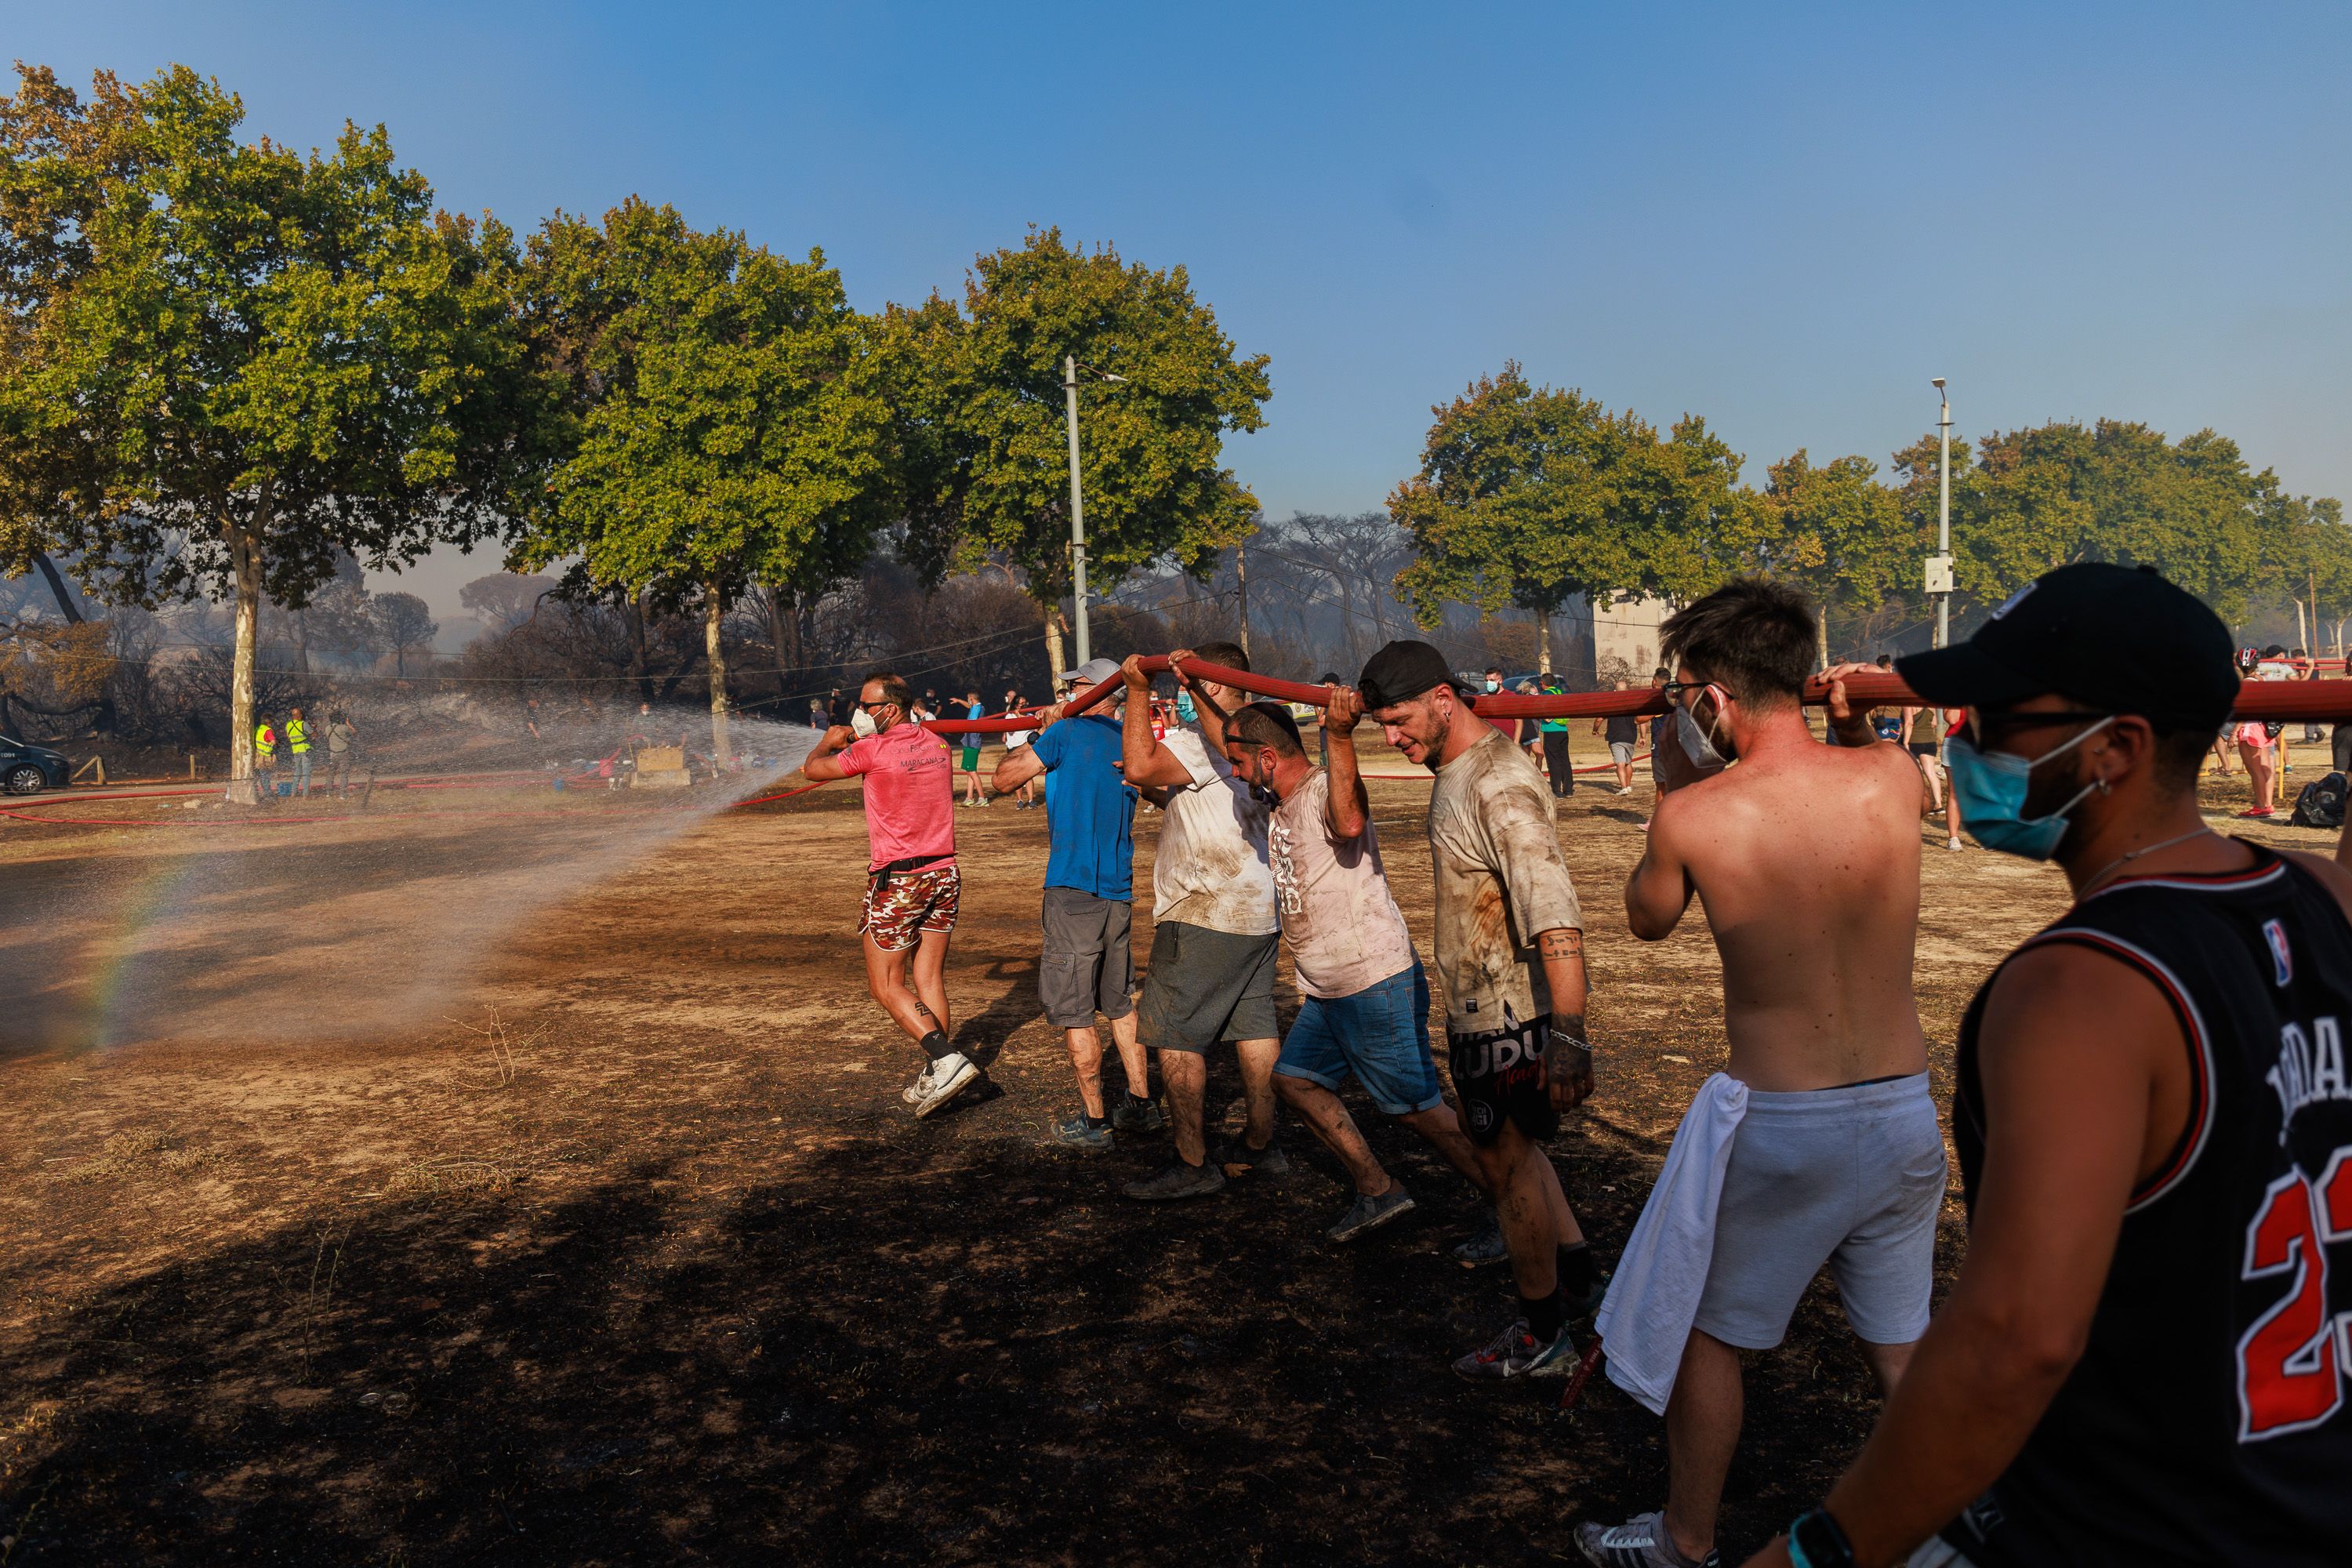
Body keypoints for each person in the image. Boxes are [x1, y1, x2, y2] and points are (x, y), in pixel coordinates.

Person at [1733, 561, 2352, 1568]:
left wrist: (1823, 1549)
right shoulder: (2324, 898)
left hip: (2134, 1521)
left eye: (2002, 714)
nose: (1967, 738)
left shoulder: (2077, 988)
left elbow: (2017, 1338)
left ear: (2114, 748)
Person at [1577, 580, 1944, 1568]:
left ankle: (1685, 1540)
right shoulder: (1894, 777)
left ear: (1711, 699)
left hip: (1790, 1125)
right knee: (1900, 1340)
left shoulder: (1697, 815)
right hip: (1906, 1109)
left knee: (1708, 1334)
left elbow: (1647, 921)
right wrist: (1850, 712)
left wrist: (1668, 780)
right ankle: (1964, 1523)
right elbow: (1857, 745)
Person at [1360, 639, 1602, 1378]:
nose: (1394, 738)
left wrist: (1568, 1034)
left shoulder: (1497, 785)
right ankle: (1585, 1302)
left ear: (1443, 700)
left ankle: (1543, 1339)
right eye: (1384, 727)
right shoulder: (1460, 769)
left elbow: (1553, 911)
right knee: (1520, 1156)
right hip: (1489, 1007)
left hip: (1509, 1016)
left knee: (1503, 1170)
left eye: (1401, 721)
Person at [1224, 685, 1493, 1242]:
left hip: (1371, 979)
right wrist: (1197, 686)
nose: (1233, 772)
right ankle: (1379, 1189)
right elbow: (1231, 735)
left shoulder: (1327, 788)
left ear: (1267, 758)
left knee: (1419, 1111)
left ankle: (1515, 1207)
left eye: (1237, 761)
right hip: (1328, 987)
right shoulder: (1279, 796)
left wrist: (1341, 733)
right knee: (1295, 1082)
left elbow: (1348, 824)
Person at [1113, 644, 1286, 1200]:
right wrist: (1155, 793)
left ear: (1208, 686)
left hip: (1204, 910)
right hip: (1259, 911)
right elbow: (1215, 807)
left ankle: (1192, 1164)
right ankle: (1263, 1146)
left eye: (1189, 686)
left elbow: (1141, 761)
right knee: (1254, 1029)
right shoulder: (1261, 743)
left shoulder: (1196, 741)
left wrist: (1137, 690)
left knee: (1176, 1036)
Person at [989, 658, 1163, 1151]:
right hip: (1118, 892)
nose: (1064, 694)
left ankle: (1094, 1121)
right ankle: (1142, 1103)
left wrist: (1039, 735)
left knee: (1076, 1011)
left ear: (1094, 691)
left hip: (1072, 891)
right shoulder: (1133, 743)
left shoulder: (1066, 734)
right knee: (1120, 1002)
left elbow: (1004, 780)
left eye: (1074, 687)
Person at [800, 671, 982, 1119]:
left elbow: (811, 770)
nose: (859, 713)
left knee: (885, 985)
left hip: (899, 880)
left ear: (891, 708)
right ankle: (938, 1069)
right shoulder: (937, 744)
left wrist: (830, 739)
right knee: (930, 978)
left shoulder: (873, 749)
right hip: (945, 874)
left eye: (866, 706)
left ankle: (945, 1059)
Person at [2235, 645, 2294, 818]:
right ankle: (2267, 804)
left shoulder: (2245, 684)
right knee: (2266, 768)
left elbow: (2244, 711)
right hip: (2263, 729)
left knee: (2256, 771)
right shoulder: (2260, 679)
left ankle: (2260, 806)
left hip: (2249, 729)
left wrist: (2234, 732)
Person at [1594, 684, 1641, 795]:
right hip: (1631, 737)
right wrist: (1643, 736)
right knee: (1628, 763)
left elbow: (1599, 719)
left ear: (1615, 691)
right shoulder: (1633, 704)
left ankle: (1624, 787)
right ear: (1627, 691)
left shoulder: (1611, 704)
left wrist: (1595, 729)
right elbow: (1640, 720)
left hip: (1616, 737)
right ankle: (1629, 786)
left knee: (1620, 763)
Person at [1537, 673, 1577, 797]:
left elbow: (1546, 711)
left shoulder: (1546, 694)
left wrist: (1547, 717)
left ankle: (1557, 790)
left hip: (1551, 731)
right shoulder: (1559, 692)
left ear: (1543, 683)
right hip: (1562, 730)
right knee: (1565, 760)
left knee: (1553, 761)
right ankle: (1569, 789)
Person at [1000, 691, 1039, 809]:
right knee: (1017, 776)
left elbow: (1036, 731)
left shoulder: (1031, 716)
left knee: (1029, 775)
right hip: (1014, 748)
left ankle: (1031, 800)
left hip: (1026, 747)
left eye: (1025, 704)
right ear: (1016, 705)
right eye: (1020, 704)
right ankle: (1020, 801)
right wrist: (1018, 717)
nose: (1023, 706)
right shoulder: (1010, 716)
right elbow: (1010, 731)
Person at [957, 690, 989, 807]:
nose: (967, 701)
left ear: (971, 698)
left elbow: (972, 722)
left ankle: (982, 798)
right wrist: (959, 701)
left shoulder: (977, 709)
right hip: (969, 742)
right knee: (969, 771)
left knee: (972, 771)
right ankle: (969, 797)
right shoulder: (976, 707)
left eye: (968, 698)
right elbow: (969, 706)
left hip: (972, 743)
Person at [325, 710, 359, 797]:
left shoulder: (327, 728)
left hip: (332, 754)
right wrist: (348, 724)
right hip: (344, 753)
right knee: (344, 773)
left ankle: (328, 792)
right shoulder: (344, 728)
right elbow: (355, 733)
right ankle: (342, 794)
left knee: (331, 773)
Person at [285, 706, 314, 797]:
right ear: (300, 716)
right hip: (305, 750)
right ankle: (305, 794)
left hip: (295, 750)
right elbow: (314, 735)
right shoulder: (304, 724)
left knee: (297, 771)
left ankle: (293, 792)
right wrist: (313, 728)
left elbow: (289, 737)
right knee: (306, 772)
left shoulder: (288, 725)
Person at [251, 713, 279, 803]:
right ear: (269, 723)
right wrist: (277, 741)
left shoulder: (258, 729)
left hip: (257, 755)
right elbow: (273, 742)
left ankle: (261, 792)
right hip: (265, 756)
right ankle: (267, 794)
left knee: (260, 775)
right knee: (265, 776)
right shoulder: (268, 730)